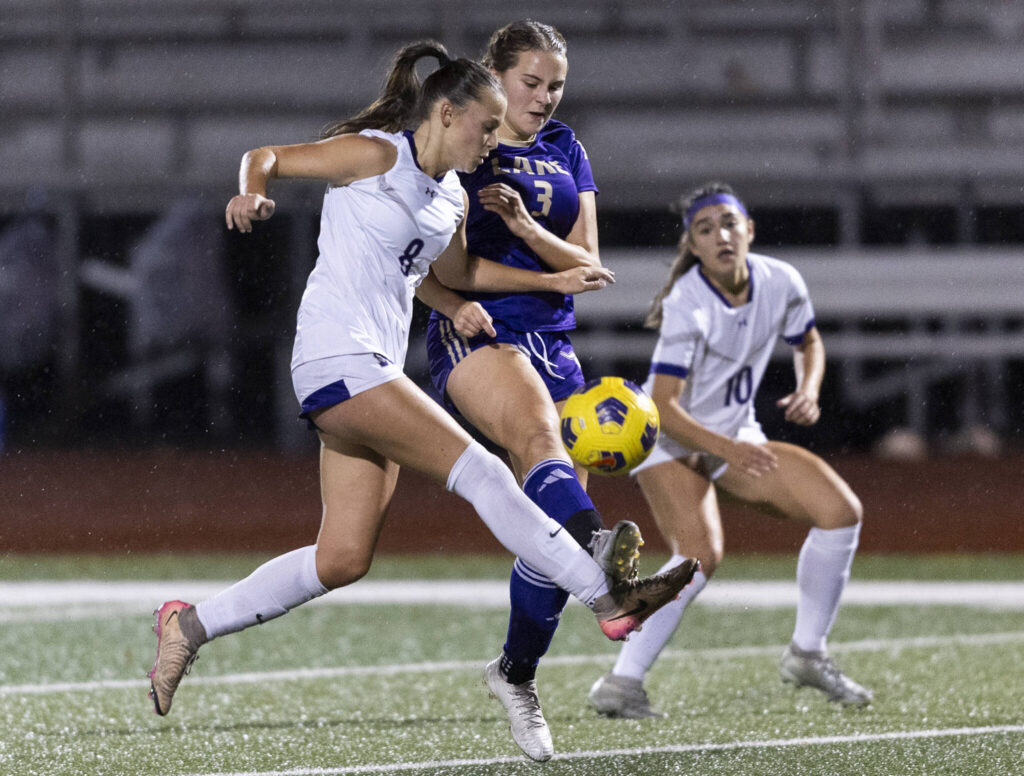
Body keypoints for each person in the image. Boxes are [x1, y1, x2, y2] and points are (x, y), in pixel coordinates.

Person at [146, 40, 697, 719]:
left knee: (342, 558)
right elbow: (268, 156)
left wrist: (542, 281)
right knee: (486, 474)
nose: (493, 140)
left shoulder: (453, 200)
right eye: (486, 126)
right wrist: (252, 194)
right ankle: (606, 596)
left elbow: (455, 276)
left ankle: (188, 625)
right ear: (445, 111)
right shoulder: (377, 153)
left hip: (367, 367)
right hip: (336, 356)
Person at [418, 21, 698, 762]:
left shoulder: (565, 147)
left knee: (544, 532)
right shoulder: (464, 146)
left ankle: (515, 675)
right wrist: (544, 269)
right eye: (530, 83)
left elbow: (590, 261)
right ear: (495, 75)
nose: (543, 98)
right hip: (479, 331)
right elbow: (454, 274)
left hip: (555, 342)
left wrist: (523, 224)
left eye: (555, 86)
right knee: (542, 442)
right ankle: (608, 559)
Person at [587, 183, 873, 718]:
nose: (720, 235)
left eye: (728, 223)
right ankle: (621, 683)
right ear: (693, 246)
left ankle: (808, 653)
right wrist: (728, 450)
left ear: (750, 231)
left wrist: (809, 389)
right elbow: (666, 407)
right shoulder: (688, 302)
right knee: (698, 553)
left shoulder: (780, 279)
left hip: (730, 436)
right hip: (668, 437)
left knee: (839, 514)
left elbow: (807, 340)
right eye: (705, 228)